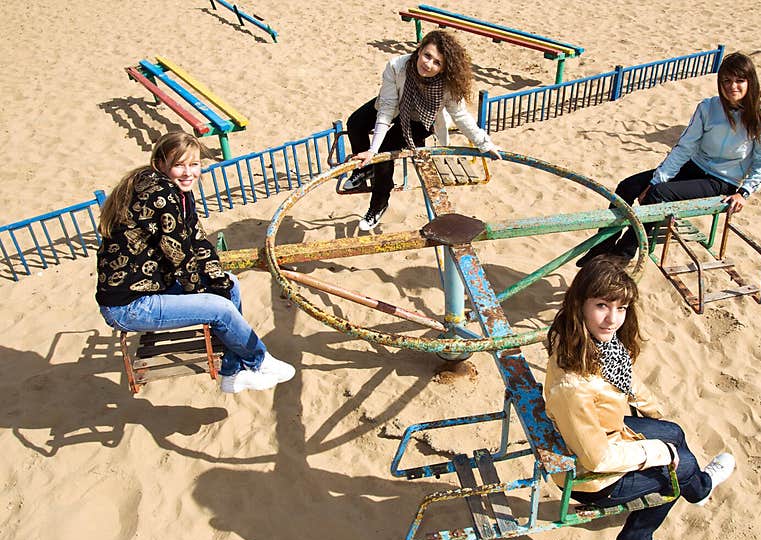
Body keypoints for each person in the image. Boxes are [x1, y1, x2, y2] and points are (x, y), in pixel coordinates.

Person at [543, 255, 735, 540]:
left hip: (606, 430)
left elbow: (626, 380)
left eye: (621, 308)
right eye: (602, 306)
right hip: (591, 479)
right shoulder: (573, 387)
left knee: (673, 432)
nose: (612, 319)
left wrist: (653, 414)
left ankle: (698, 490)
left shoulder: (588, 342)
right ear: (580, 303)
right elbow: (596, 458)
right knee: (679, 469)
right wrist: (655, 452)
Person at [95, 132, 296, 394]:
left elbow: (197, 240)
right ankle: (260, 362)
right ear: (160, 164)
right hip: (129, 305)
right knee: (219, 308)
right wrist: (204, 291)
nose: (188, 172)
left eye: (194, 164)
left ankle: (232, 372)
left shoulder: (176, 191)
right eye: (179, 165)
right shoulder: (161, 195)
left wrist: (218, 280)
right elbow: (180, 255)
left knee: (231, 285)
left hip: (153, 285)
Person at [577, 51, 761, 265]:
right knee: (627, 186)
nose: (732, 87)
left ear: (751, 82)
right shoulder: (709, 107)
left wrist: (744, 193)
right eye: (726, 81)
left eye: (740, 80)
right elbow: (684, 147)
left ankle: (623, 254)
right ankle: (602, 246)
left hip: (721, 181)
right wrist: (657, 179)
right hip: (695, 165)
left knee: (657, 195)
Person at [344, 29, 502, 232]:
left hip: (422, 119)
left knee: (385, 152)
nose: (428, 64)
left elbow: (460, 116)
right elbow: (386, 109)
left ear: (444, 69)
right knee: (355, 123)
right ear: (419, 51)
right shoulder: (397, 67)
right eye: (427, 56)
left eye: (437, 63)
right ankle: (365, 169)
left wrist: (484, 144)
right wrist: (370, 151)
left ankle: (379, 204)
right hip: (397, 104)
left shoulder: (447, 85)